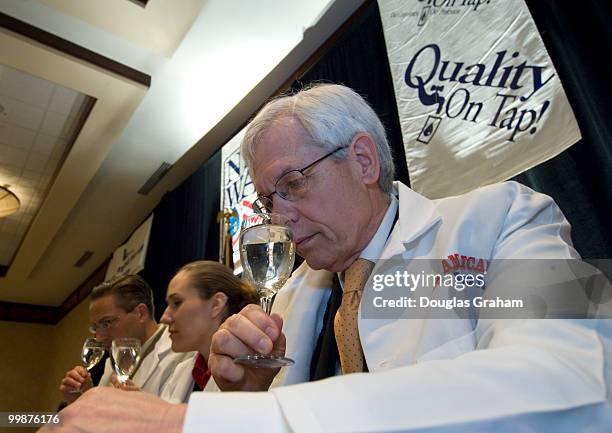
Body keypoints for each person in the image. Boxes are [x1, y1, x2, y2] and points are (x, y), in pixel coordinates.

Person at [43, 84, 611, 433]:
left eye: (293, 184)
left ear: (362, 160)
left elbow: (579, 381)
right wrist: (239, 394)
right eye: (269, 199)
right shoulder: (291, 295)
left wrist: (194, 421)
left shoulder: (506, 217)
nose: (279, 216)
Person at [111, 261, 259, 402]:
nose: (164, 318)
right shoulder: (184, 371)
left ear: (216, 304)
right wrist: (143, 406)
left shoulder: (253, 370)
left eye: (176, 303)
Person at [58, 274, 191, 404]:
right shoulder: (112, 363)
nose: (98, 338)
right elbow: (107, 420)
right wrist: (85, 398)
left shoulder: (183, 352)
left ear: (141, 313)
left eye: (106, 323)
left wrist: (140, 405)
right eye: (95, 328)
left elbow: (179, 421)